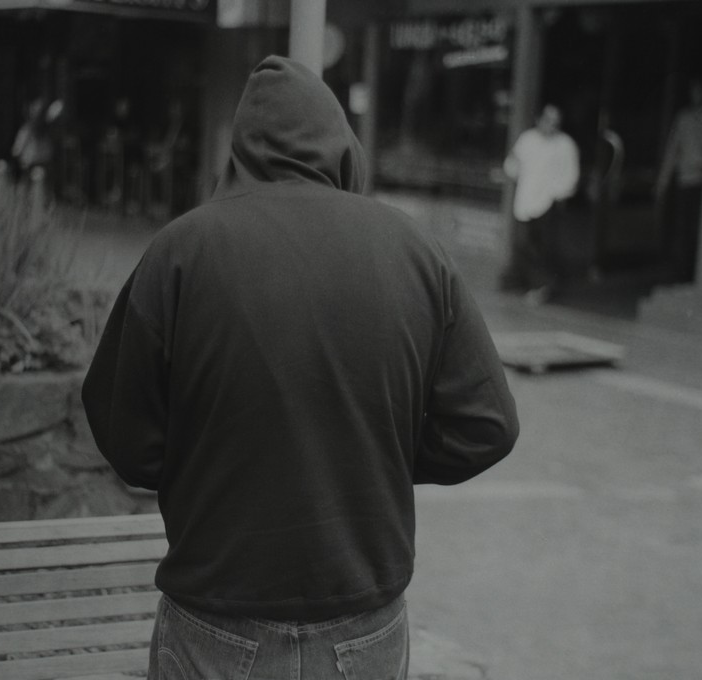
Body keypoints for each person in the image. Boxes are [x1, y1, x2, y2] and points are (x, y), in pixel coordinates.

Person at [82, 55, 519, 680]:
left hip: (215, 613)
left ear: (239, 152)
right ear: (344, 145)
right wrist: (376, 455)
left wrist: (205, 468)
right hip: (364, 622)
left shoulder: (180, 250)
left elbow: (123, 432)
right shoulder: (417, 250)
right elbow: (488, 426)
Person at [500, 104, 580, 301]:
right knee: (523, 244)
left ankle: (542, 288)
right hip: (525, 200)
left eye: (556, 123)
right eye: (548, 121)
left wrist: (557, 194)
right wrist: (513, 163)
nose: (551, 126)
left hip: (549, 202)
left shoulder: (565, 144)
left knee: (542, 247)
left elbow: (571, 175)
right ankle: (527, 283)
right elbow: (512, 167)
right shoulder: (527, 139)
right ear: (539, 120)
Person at [656, 78, 702, 282]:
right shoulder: (683, 118)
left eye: (700, 90)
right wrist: (662, 181)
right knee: (683, 228)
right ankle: (681, 271)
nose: (696, 95)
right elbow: (673, 150)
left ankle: (696, 273)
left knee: (698, 228)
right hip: (685, 180)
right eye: (693, 91)